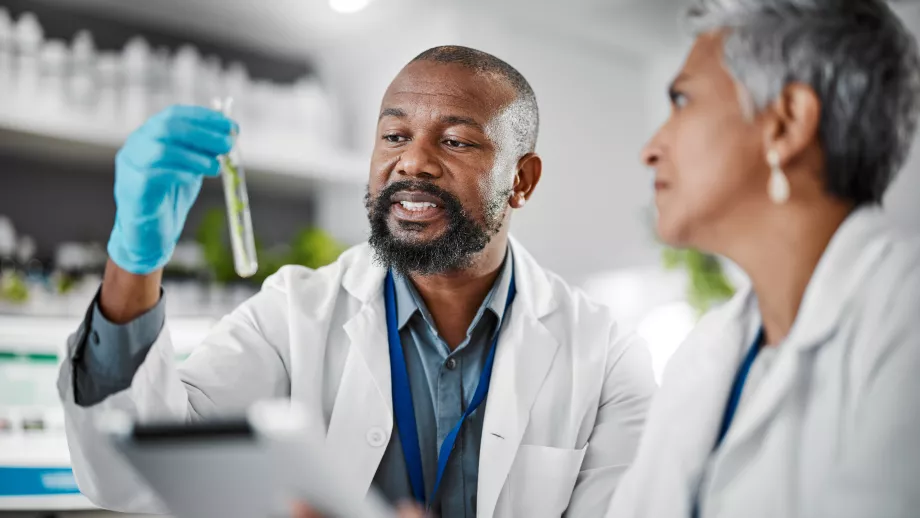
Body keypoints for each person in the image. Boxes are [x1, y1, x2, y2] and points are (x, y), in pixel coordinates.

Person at [57, 46, 656, 517]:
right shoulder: (293, 314)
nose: (413, 161)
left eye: (454, 141)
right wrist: (133, 261)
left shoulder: (606, 356)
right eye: (395, 136)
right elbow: (128, 475)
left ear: (522, 180)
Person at [606, 1, 920, 517]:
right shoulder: (706, 352)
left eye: (682, 100)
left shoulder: (904, 310)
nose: (651, 148)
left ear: (786, 122)